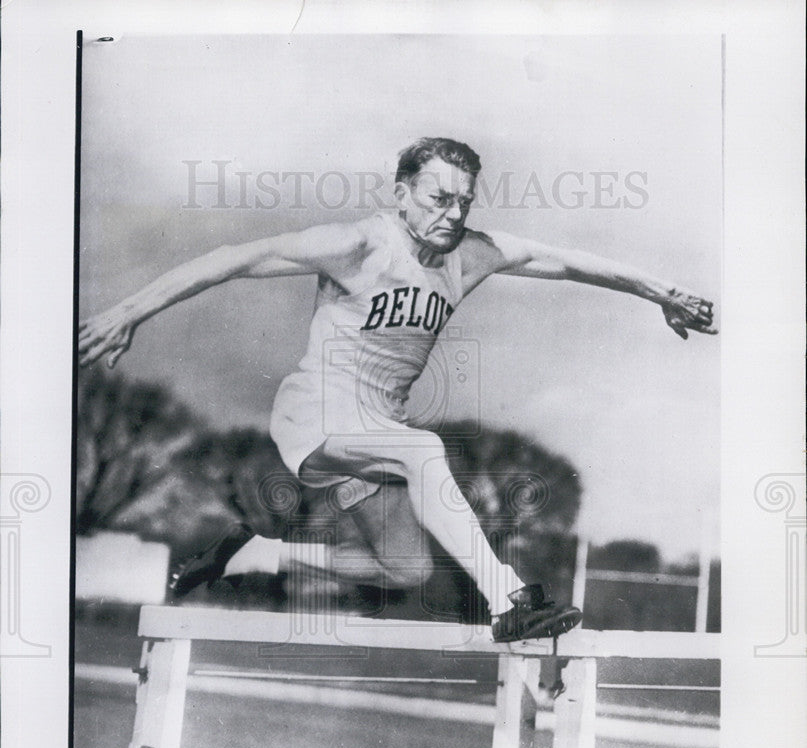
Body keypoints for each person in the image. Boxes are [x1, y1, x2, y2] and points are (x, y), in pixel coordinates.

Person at [78, 137, 716, 641]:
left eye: (464, 200)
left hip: (374, 432)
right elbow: (232, 257)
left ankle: (250, 554)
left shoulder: (471, 253)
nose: (453, 213)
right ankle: (512, 602)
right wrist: (128, 312)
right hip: (316, 416)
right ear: (402, 192)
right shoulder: (357, 245)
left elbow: (570, 263)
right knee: (423, 451)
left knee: (402, 570)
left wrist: (661, 293)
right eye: (438, 198)